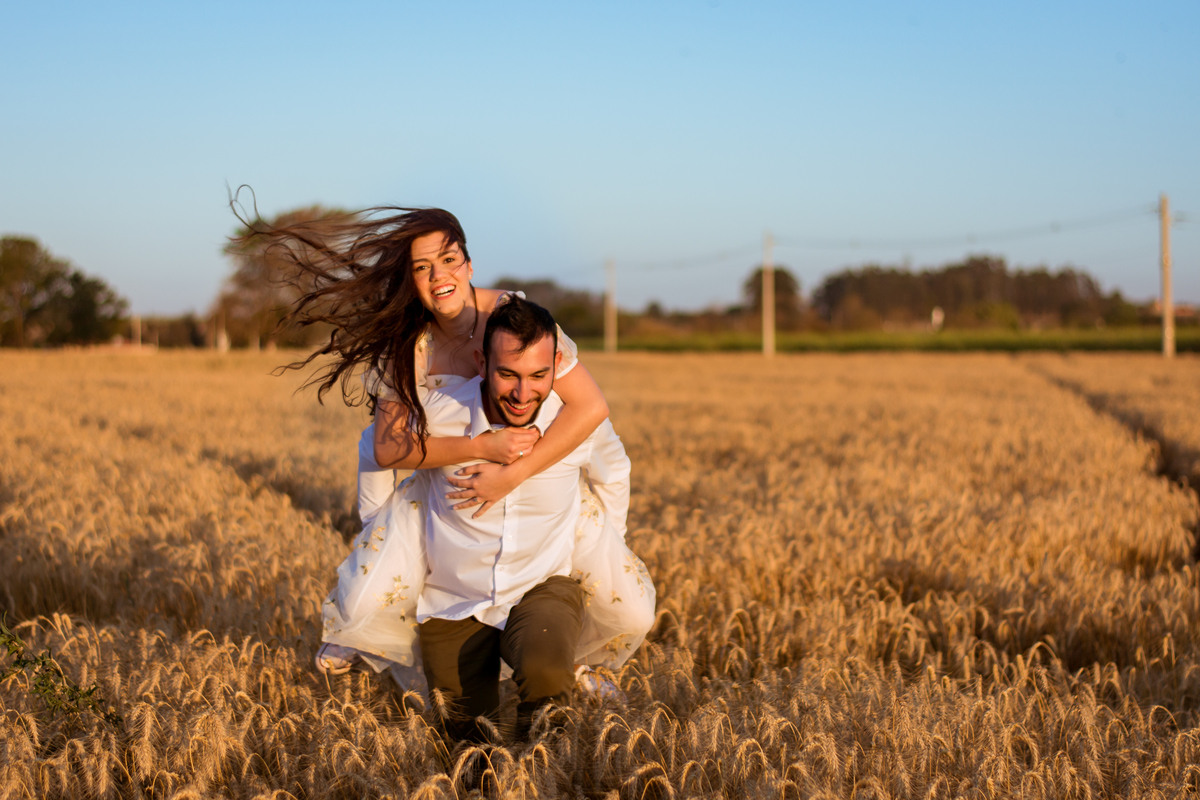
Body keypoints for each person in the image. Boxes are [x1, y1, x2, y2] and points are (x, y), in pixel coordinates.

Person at [243, 204, 654, 693]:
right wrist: (480, 447)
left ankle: (572, 661)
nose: (440, 277)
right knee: (370, 598)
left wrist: (511, 473)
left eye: (449, 260)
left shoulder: (511, 320)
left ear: (469, 264)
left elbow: (590, 407)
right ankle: (378, 633)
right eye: (422, 267)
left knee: (619, 602)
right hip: (445, 488)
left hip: (536, 483)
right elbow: (387, 448)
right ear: (409, 280)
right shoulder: (407, 343)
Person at [371, 296, 642, 739]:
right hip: (452, 599)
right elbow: (378, 453)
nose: (522, 393)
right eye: (508, 374)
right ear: (482, 363)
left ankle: (548, 764)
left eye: (538, 375)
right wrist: (375, 540)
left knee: (546, 673)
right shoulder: (441, 414)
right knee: (466, 737)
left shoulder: (572, 422)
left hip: (542, 584)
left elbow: (614, 472)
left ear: (557, 365)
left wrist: (608, 547)